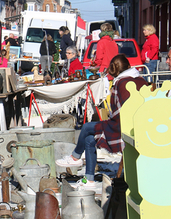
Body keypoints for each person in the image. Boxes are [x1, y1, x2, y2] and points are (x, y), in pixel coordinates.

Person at [56, 55, 147, 190]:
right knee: (89, 140)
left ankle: (75, 157)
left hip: (123, 127)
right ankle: (89, 179)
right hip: (140, 124)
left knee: (87, 127)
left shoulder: (121, 84)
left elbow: (119, 112)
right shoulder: (141, 80)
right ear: (128, 66)